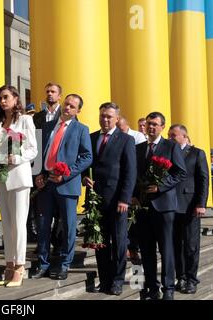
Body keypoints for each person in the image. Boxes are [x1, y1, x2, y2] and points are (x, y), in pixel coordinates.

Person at [33, 94, 92, 280]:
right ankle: (43, 263)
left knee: (68, 226)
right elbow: (38, 154)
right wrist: (38, 174)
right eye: (66, 104)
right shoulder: (47, 126)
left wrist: (66, 173)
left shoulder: (81, 129)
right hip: (46, 184)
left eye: (72, 106)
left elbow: (87, 157)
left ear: (78, 111)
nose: (67, 108)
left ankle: (65, 264)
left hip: (67, 184)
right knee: (42, 226)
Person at [82, 103, 136, 295]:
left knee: (119, 242)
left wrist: (125, 199)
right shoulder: (91, 138)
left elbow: (130, 172)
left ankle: (118, 280)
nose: (105, 119)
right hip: (96, 200)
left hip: (117, 201)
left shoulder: (126, 140)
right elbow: (86, 164)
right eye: (102, 116)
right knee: (100, 242)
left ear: (116, 118)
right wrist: (84, 178)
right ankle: (104, 280)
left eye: (109, 117)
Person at [0, 85, 37, 287]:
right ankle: (9, 264)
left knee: (18, 224)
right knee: (6, 225)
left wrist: (16, 157)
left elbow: (33, 149)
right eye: (0, 98)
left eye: (6, 97)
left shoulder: (25, 120)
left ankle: (19, 267)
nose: (2, 101)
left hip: (18, 176)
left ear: (16, 98)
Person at [133, 112, 187, 300]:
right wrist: (133, 196)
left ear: (162, 127)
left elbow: (181, 173)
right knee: (147, 251)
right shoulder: (139, 148)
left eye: (155, 124)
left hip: (164, 206)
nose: (151, 127)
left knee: (166, 250)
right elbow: (133, 174)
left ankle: (169, 289)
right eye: (148, 124)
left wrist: (161, 186)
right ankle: (152, 288)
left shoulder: (171, 146)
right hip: (143, 208)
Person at [168, 124, 209, 295]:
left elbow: (203, 180)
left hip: (190, 206)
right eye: (169, 135)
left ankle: (192, 279)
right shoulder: (167, 152)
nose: (170, 138)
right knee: (176, 244)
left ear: (184, 136)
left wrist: (201, 204)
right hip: (171, 206)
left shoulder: (196, 153)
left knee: (191, 245)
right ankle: (182, 276)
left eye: (174, 135)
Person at [33, 83, 64, 250]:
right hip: (41, 171)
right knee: (42, 211)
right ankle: (42, 244)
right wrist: (37, 172)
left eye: (53, 92)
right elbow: (34, 144)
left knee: (59, 212)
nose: (49, 94)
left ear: (59, 96)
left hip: (59, 171)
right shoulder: (37, 117)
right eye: (47, 92)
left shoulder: (65, 116)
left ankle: (58, 243)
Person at [116, 115, 146, 264]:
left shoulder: (137, 136)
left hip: (133, 182)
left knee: (133, 220)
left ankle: (133, 248)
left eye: (121, 129)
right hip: (118, 181)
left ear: (126, 126)